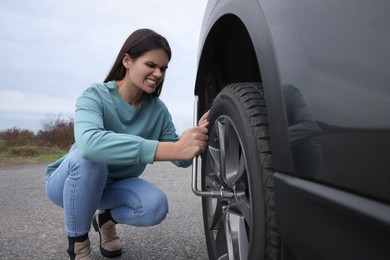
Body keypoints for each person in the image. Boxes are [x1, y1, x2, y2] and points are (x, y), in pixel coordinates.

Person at [44, 28, 209, 260]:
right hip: (70, 185)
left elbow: (181, 159)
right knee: (89, 159)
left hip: (113, 189)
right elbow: (89, 145)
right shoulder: (94, 95)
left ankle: (105, 220)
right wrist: (167, 148)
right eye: (151, 64)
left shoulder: (158, 110)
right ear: (127, 61)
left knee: (155, 206)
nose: (158, 73)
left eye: (163, 68)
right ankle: (79, 247)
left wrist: (197, 135)